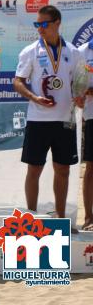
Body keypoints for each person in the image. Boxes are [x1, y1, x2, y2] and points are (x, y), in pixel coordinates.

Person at [13, 5, 81, 218]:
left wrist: (79, 95)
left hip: (65, 120)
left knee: (63, 170)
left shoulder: (73, 52)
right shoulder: (30, 51)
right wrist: (34, 98)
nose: (40, 28)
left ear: (57, 23)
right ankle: (31, 219)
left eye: (44, 24)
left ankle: (61, 218)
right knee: (34, 170)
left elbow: (79, 82)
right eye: (37, 24)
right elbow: (18, 82)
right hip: (38, 120)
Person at [76, 41, 93, 231]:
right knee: (91, 168)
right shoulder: (82, 52)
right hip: (92, 115)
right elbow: (78, 83)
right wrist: (81, 92)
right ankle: (89, 217)